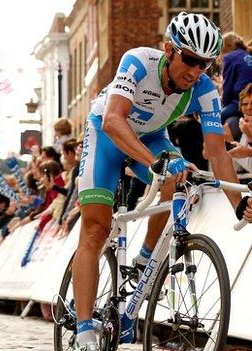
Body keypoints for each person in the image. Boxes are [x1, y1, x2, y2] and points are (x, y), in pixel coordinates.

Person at [72, 12, 252, 350]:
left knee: (179, 172)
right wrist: (154, 162)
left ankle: (143, 259)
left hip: (153, 137)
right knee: (95, 229)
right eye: (191, 60)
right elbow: (113, 120)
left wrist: (238, 203)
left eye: (206, 65)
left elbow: (216, 151)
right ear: (169, 50)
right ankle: (83, 331)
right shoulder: (138, 61)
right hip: (107, 134)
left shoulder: (202, 90)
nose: (197, 71)